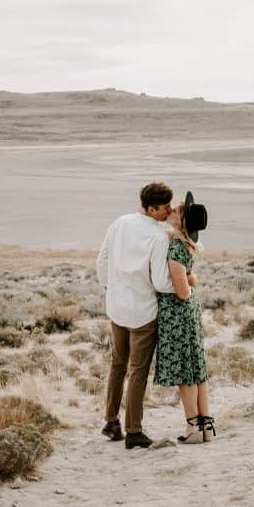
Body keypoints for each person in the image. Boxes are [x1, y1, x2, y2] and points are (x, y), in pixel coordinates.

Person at [95, 182, 174, 449]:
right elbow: (162, 283)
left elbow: (101, 262)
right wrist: (186, 282)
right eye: (165, 207)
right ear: (152, 208)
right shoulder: (159, 236)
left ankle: (110, 421)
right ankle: (134, 431)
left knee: (118, 364)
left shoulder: (120, 223)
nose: (170, 210)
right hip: (143, 312)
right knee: (138, 371)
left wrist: (112, 288)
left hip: (117, 308)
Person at [154, 191, 214, 444]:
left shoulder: (176, 248)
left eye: (177, 210)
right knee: (196, 369)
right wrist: (192, 279)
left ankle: (192, 427)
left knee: (185, 373)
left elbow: (181, 291)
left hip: (178, 315)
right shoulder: (182, 241)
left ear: (182, 221)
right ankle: (205, 426)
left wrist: (189, 280)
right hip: (187, 312)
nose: (172, 211)